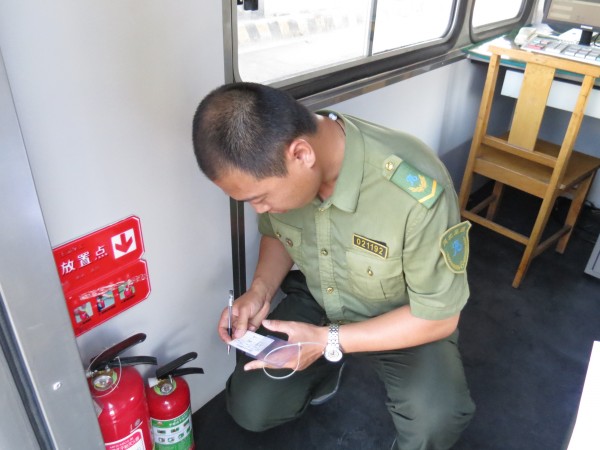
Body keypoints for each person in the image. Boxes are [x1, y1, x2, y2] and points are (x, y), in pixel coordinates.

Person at [192, 82, 475, 450]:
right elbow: (277, 235)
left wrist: (328, 340)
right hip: (319, 300)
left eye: (260, 198)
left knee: (436, 422)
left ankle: (328, 352)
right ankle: (323, 372)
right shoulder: (286, 172)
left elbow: (439, 317)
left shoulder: (413, 190)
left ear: (301, 154)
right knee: (251, 407)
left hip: (400, 318)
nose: (259, 209)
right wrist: (260, 291)